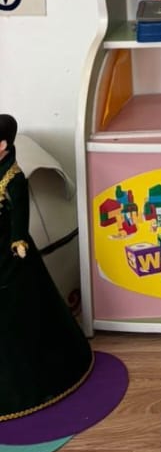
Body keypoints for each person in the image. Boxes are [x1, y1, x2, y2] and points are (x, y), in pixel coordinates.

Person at [0, 114, 93, 420]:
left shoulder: (14, 178)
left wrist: (18, 240)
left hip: (9, 250)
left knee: (21, 307)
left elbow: (19, 214)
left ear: (3, 146)